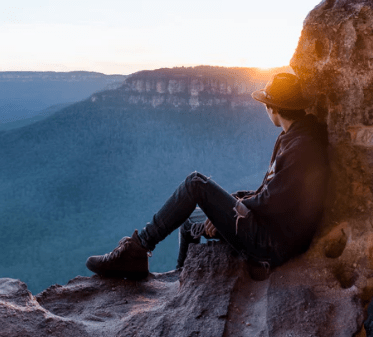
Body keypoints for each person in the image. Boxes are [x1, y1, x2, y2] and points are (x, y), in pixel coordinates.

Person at [86, 73, 329, 279]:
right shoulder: (296, 136)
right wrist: (235, 201)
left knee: (195, 184)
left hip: (270, 244)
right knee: (190, 220)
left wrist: (237, 208)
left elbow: (274, 200)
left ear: (273, 107)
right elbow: (275, 190)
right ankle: (181, 276)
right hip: (271, 232)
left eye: (266, 104)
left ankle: (137, 250)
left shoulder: (300, 146)